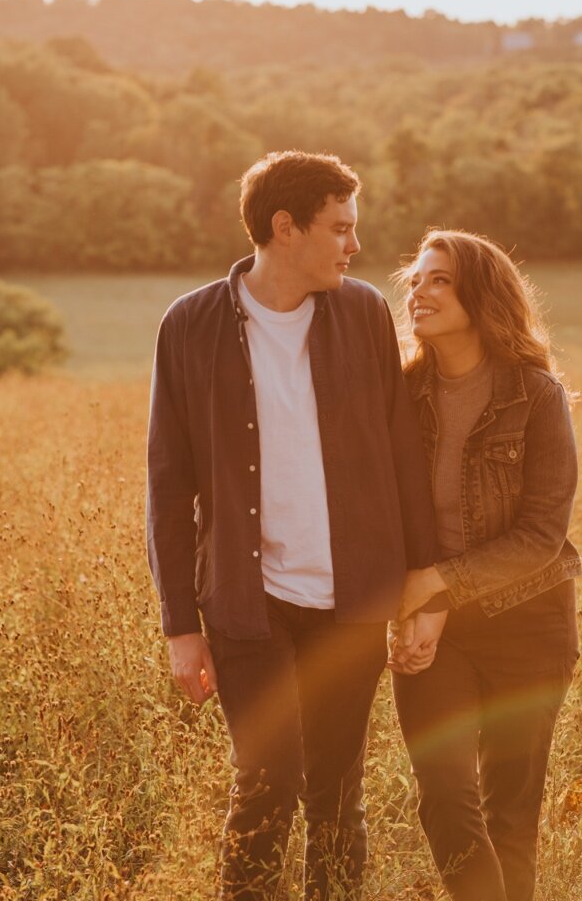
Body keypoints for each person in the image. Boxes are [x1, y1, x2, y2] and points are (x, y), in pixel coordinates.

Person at [145, 149, 442, 901]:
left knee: (337, 792)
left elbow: (403, 455)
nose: (355, 245)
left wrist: (423, 591)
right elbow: (168, 483)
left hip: (352, 601)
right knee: (267, 780)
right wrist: (181, 623)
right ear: (285, 227)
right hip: (249, 603)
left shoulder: (364, 312)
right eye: (340, 227)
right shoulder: (188, 325)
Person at [389, 230, 581, 901]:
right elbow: (386, 515)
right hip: (433, 629)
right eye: (416, 279)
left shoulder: (535, 396)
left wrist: (436, 584)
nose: (420, 291)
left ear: (482, 292)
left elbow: (541, 535)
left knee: (511, 815)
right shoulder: (399, 395)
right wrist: (425, 605)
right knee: (443, 793)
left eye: (439, 279)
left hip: (529, 625)